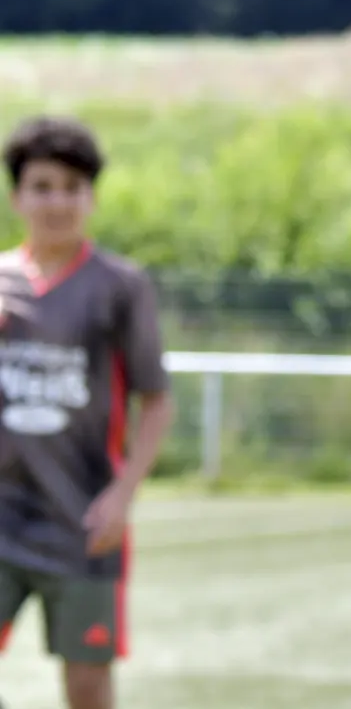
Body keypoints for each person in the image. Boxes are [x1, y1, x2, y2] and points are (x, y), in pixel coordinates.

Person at [0, 117, 174, 709]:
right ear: (17, 195)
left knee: (88, 688)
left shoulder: (120, 287)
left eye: (72, 188)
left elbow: (156, 399)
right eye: (42, 186)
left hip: (82, 523)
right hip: (1, 519)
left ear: (91, 197)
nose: (57, 201)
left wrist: (122, 497)